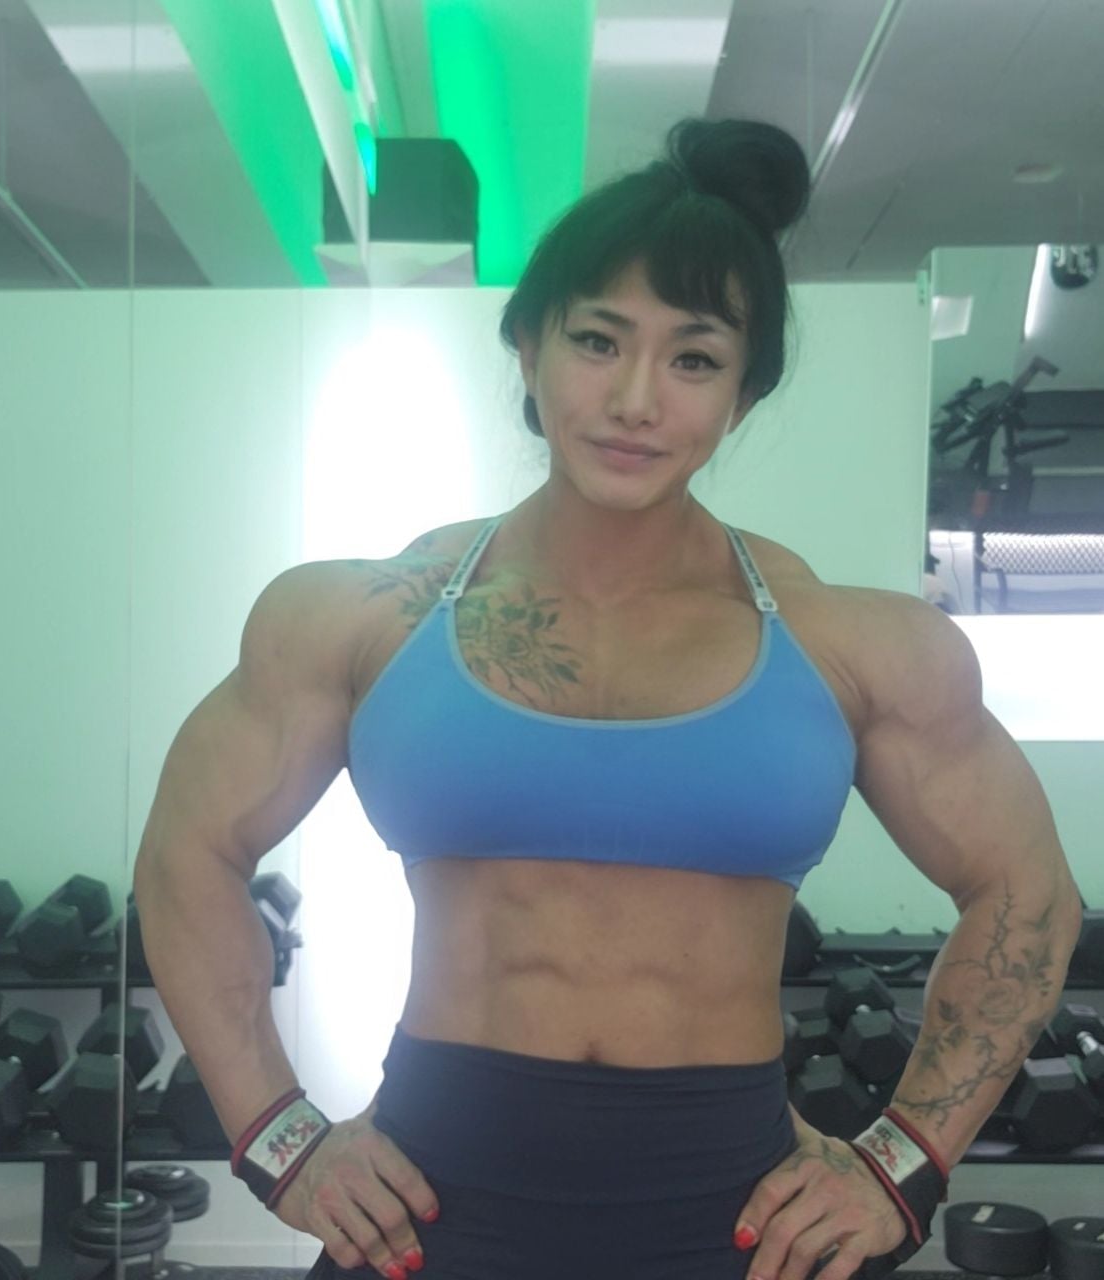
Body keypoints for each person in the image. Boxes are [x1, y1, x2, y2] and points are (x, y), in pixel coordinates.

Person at [132, 118, 1083, 1280]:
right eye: (597, 340)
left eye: (693, 359)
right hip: (427, 1213)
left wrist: (903, 1159)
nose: (636, 398)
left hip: (735, 1225)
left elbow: (1025, 891)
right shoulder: (361, 615)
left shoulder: (854, 644)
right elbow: (187, 848)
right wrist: (278, 1136)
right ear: (526, 348)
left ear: (740, 398)